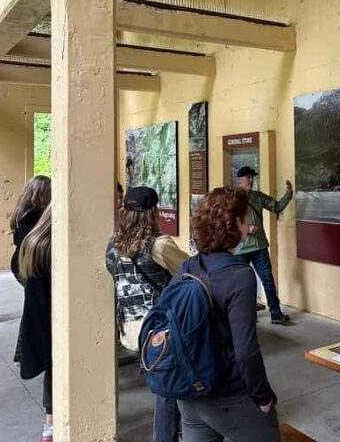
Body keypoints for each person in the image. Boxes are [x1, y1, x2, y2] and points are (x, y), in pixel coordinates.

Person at [179, 187, 280, 442]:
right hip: (229, 396)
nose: (249, 222)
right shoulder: (240, 276)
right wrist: (263, 397)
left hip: (191, 395)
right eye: (246, 217)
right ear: (235, 223)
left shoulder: (188, 266)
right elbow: (246, 351)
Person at [105, 186, 190, 442]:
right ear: (153, 211)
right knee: (170, 389)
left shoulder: (113, 245)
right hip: (159, 333)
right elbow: (189, 271)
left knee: (166, 383)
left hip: (129, 330)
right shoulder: (159, 245)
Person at [233, 166, 293, 325]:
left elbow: (277, 207)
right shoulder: (232, 199)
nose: (251, 180)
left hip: (259, 247)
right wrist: (246, 229)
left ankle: (276, 314)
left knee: (267, 280)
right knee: (241, 284)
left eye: (252, 177)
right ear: (239, 180)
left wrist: (289, 194)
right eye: (248, 177)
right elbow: (228, 222)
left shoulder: (258, 197)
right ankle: (243, 317)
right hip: (241, 248)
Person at [16, 206, 53, 442]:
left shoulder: (34, 240)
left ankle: (50, 423)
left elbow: (15, 267)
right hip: (51, 313)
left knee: (54, 367)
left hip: (40, 314)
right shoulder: (53, 246)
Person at [9, 175, 51, 363]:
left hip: (21, 263)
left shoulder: (22, 211)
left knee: (31, 306)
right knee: (32, 308)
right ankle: (26, 352)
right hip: (28, 265)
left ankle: (24, 352)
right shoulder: (33, 215)